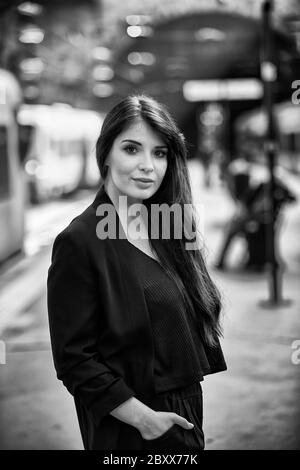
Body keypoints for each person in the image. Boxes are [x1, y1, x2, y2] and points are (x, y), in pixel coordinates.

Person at [47, 94, 227, 451]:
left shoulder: (171, 224)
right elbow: (74, 358)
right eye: (132, 149)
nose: (148, 165)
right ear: (106, 155)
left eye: (160, 153)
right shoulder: (79, 241)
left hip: (185, 412)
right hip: (131, 426)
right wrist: (145, 420)